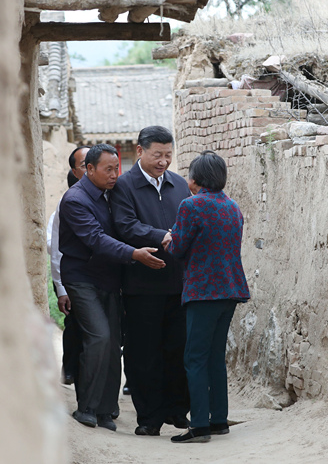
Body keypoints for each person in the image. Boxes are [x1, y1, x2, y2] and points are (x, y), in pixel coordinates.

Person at [59, 144, 165, 431]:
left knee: (113, 341)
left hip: (110, 278)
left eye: (117, 168)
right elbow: (96, 239)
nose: (114, 175)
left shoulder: (110, 195)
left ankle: (106, 410)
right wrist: (134, 254)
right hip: (82, 278)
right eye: (108, 169)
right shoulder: (75, 200)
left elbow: (125, 226)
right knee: (99, 337)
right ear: (89, 169)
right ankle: (87, 407)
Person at [109, 126, 192, 437]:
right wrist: (162, 236)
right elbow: (125, 225)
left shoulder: (179, 184)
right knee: (143, 353)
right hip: (141, 287)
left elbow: (188, 221)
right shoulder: (125, 186)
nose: (163, 162)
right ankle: (149, 417)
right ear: (140, 151)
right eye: (157, 155)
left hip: (179, 284)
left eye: (168, 155)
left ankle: (176, 410)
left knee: (177, 349)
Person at [163, 151, 250, 443]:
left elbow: (177, 249)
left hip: (203, 291)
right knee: (215, 357)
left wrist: (169, 238)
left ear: (196, 179)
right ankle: (219, 419)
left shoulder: (191, 205)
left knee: (195, 358)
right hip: (231, 289)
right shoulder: (233, 206)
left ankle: (199, 424)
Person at [50, 146, 89, 386]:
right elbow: (54, 249)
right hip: (75, 279)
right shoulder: (67, 205)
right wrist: (61, 288)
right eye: (86, 164)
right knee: (76, 325)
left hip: (106, 280)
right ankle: (71, 369)